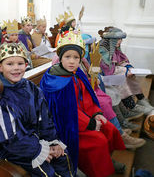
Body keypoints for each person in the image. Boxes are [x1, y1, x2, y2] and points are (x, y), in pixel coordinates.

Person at [40, 29, 126, 177]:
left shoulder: (76, 73)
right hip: (67, 125)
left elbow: (86, 97)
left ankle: (105, 161)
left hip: (82, 118)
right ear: (60, 58)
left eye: (76, 57)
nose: (72, 61)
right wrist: (90, 124)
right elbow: (65, 111)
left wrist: (97, 114)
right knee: (98, 141)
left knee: (109, 128)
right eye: (67, 57)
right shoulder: (55, 80)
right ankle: (96, 170)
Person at [0, 42, 74, 177]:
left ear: (26, 65)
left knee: (63, 157)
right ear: (0, 67)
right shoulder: (0, 96)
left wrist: (52, 141)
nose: (16, 68)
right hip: (12, 147)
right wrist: (39, 151)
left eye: (20, 63)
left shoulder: (30, 87)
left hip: (33, 139)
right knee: (46, 172)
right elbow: (9, 138)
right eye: (10, 64)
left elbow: (45, 118)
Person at [99, 27, 154, 114]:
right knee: (122, 79)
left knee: (130, 75)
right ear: (111, 39)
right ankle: (131, 106)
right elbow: (108, 72)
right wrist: (124, 72)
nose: (120, 41)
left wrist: (128, 68)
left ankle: (141, 99)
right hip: (104, 79)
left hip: (113, 74)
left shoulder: (114, 49)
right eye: (118, 39)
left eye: (121, 39)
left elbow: (121, 61)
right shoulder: (104, 52)